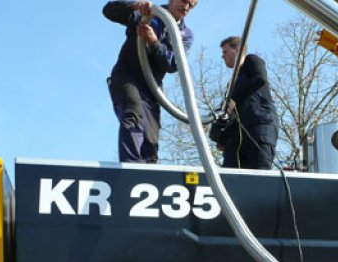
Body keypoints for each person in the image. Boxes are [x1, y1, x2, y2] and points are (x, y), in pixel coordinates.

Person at [103, 0, 197, 163]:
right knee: (133, 115)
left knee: (150, 138)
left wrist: (154, 42)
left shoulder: (185, 34)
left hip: (152, 89)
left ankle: (149, 171)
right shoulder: (149, 13)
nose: (186, 7)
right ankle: (130, 168)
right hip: (128, 77)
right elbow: (109, 10)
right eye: (184, 1)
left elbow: (173, 64)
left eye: (192, 5)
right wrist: (134, 5)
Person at [217, 36, 280, 170]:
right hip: (238, 136)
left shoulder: (251, 61)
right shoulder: (231, 85)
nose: (222, 56)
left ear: (237, 49)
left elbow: (260, 79)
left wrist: (234, 99)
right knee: (230, 174)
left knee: (258, 173)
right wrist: (221, 137)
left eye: (225, 52)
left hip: (259, 127)